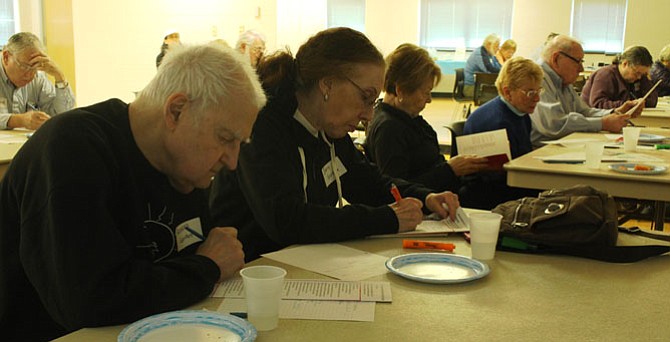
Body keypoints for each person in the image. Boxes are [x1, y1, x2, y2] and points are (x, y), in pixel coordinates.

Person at [0, 43, 266, 340]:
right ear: (176, 111)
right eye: (226, 138)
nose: (232, 161)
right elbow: (90, 302)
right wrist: (207, 266)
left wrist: (205, 262)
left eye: (240, 143)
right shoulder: (71, 149)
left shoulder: (186, 168)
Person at [209, 28, 460, 261]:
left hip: (304, 262)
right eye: (365, 97)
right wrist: (387, 218)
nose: (369, 115)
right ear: (327, 84)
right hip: (253, 274)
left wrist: (425, 197)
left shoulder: (328, 128)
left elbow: (366, 181)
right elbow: (286, 220)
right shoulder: (262, 124)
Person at [364, 43, 487, 193]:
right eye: (426, 92)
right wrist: (449, 169)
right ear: (401, 91)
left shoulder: (406, 118)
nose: (429, 100)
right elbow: (396, 189)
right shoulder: (389, 128)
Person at [530, 35, 643, 147]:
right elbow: (554, 124)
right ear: (556, 59)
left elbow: (584, 112)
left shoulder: (562, 79)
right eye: (578, 61)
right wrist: (603, 123)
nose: (582, 68)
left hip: (563, 146)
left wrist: (615, 113)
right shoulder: (537, 77)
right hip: (538, 153)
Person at [461, 57, 544, 209]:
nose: (537, 98)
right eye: (530, 92)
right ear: (507, 92)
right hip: (488, 196)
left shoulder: (520, 113)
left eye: (539, 91)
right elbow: (499, 177)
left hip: (505, 185)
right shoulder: (498, 123)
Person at [0, 32, 75, 130]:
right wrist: (19, 120)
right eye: (24, 67)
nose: (29, 75)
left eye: (35, 68)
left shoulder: (38, 80)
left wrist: (59, 76)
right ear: (6, 57)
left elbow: (62, 116)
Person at [581, 45, 658, 109]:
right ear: (625, 64)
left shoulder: (637, 77)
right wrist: (628, 105)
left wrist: (646, 80)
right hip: (594, 120)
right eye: (637, 73)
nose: (639, 77)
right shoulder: (605, 75)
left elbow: (652, 101)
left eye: (642, 74)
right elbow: (598, 104)